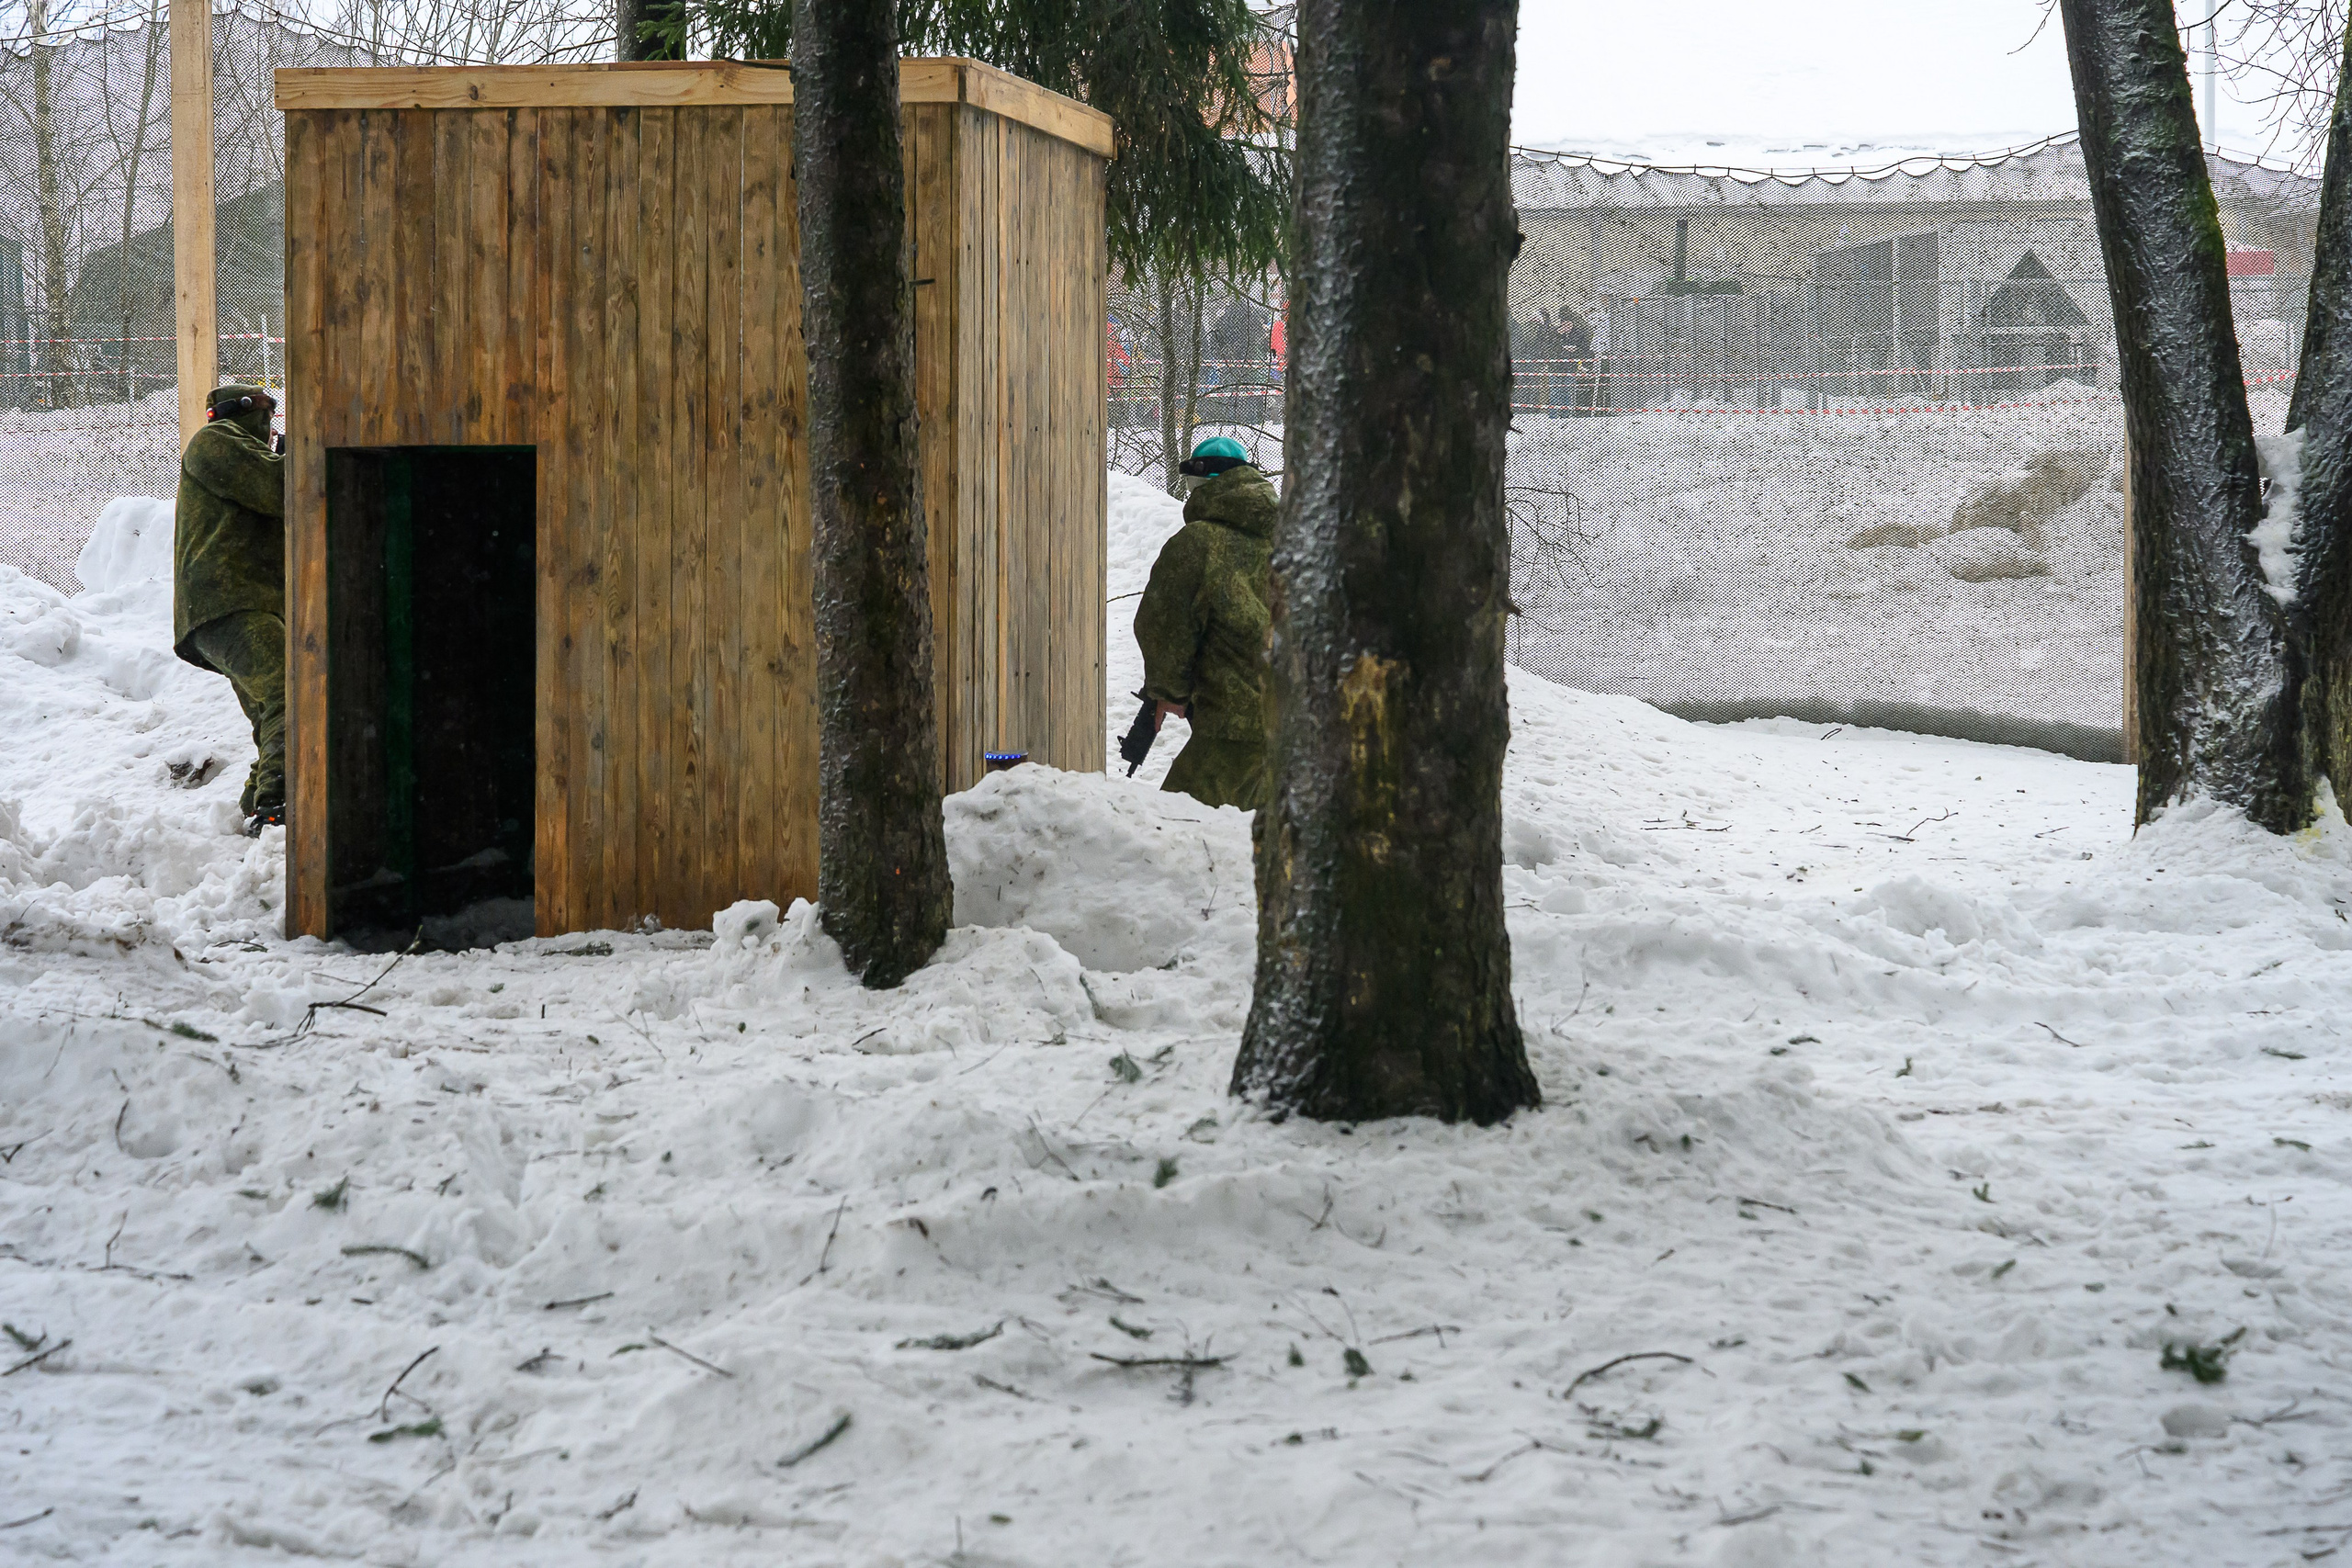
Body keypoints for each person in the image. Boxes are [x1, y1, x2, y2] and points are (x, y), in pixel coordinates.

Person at [1134, 435, 1277, 811]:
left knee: (1176, 826)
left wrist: (1168, 690)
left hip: (1234, 723)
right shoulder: (1288, 538)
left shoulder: (1197, 543)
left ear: (1199, 485)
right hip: (1294, 717)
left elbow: (1164, 624)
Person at [174, 383, 287, 836]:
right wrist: (303, 455)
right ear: (248, 415)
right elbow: (281, 488)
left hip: (240, 604)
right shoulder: (216, 441)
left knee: (270, 712)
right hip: (228, 604)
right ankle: (277, 806)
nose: (271, 428)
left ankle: (255, 808)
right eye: (267, 417)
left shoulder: (240, 451)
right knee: (290, 692)